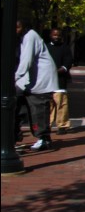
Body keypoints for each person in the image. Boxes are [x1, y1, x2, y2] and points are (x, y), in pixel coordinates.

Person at [15, 19, 59, 151]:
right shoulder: (24, 38)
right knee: (21, 108)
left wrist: (15, 77)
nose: (15, 30)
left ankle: (44, 139)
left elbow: (26, 61)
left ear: (23, 27)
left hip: (40, 81)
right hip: (31, 81)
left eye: (17, 27)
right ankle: (15, 137)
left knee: (38, 110)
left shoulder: (30, 36)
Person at [46, 27, 74, 134]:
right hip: (47, 81)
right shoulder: (46, 48)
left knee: (61, 103)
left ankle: (62, 126)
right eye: (54, 35)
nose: (56, 37)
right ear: (50, 35)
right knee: (48, 104)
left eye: (58, 35)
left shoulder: (65, 48)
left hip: (60, 80)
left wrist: (61, 70)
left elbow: (68, 62)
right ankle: (47, 124)